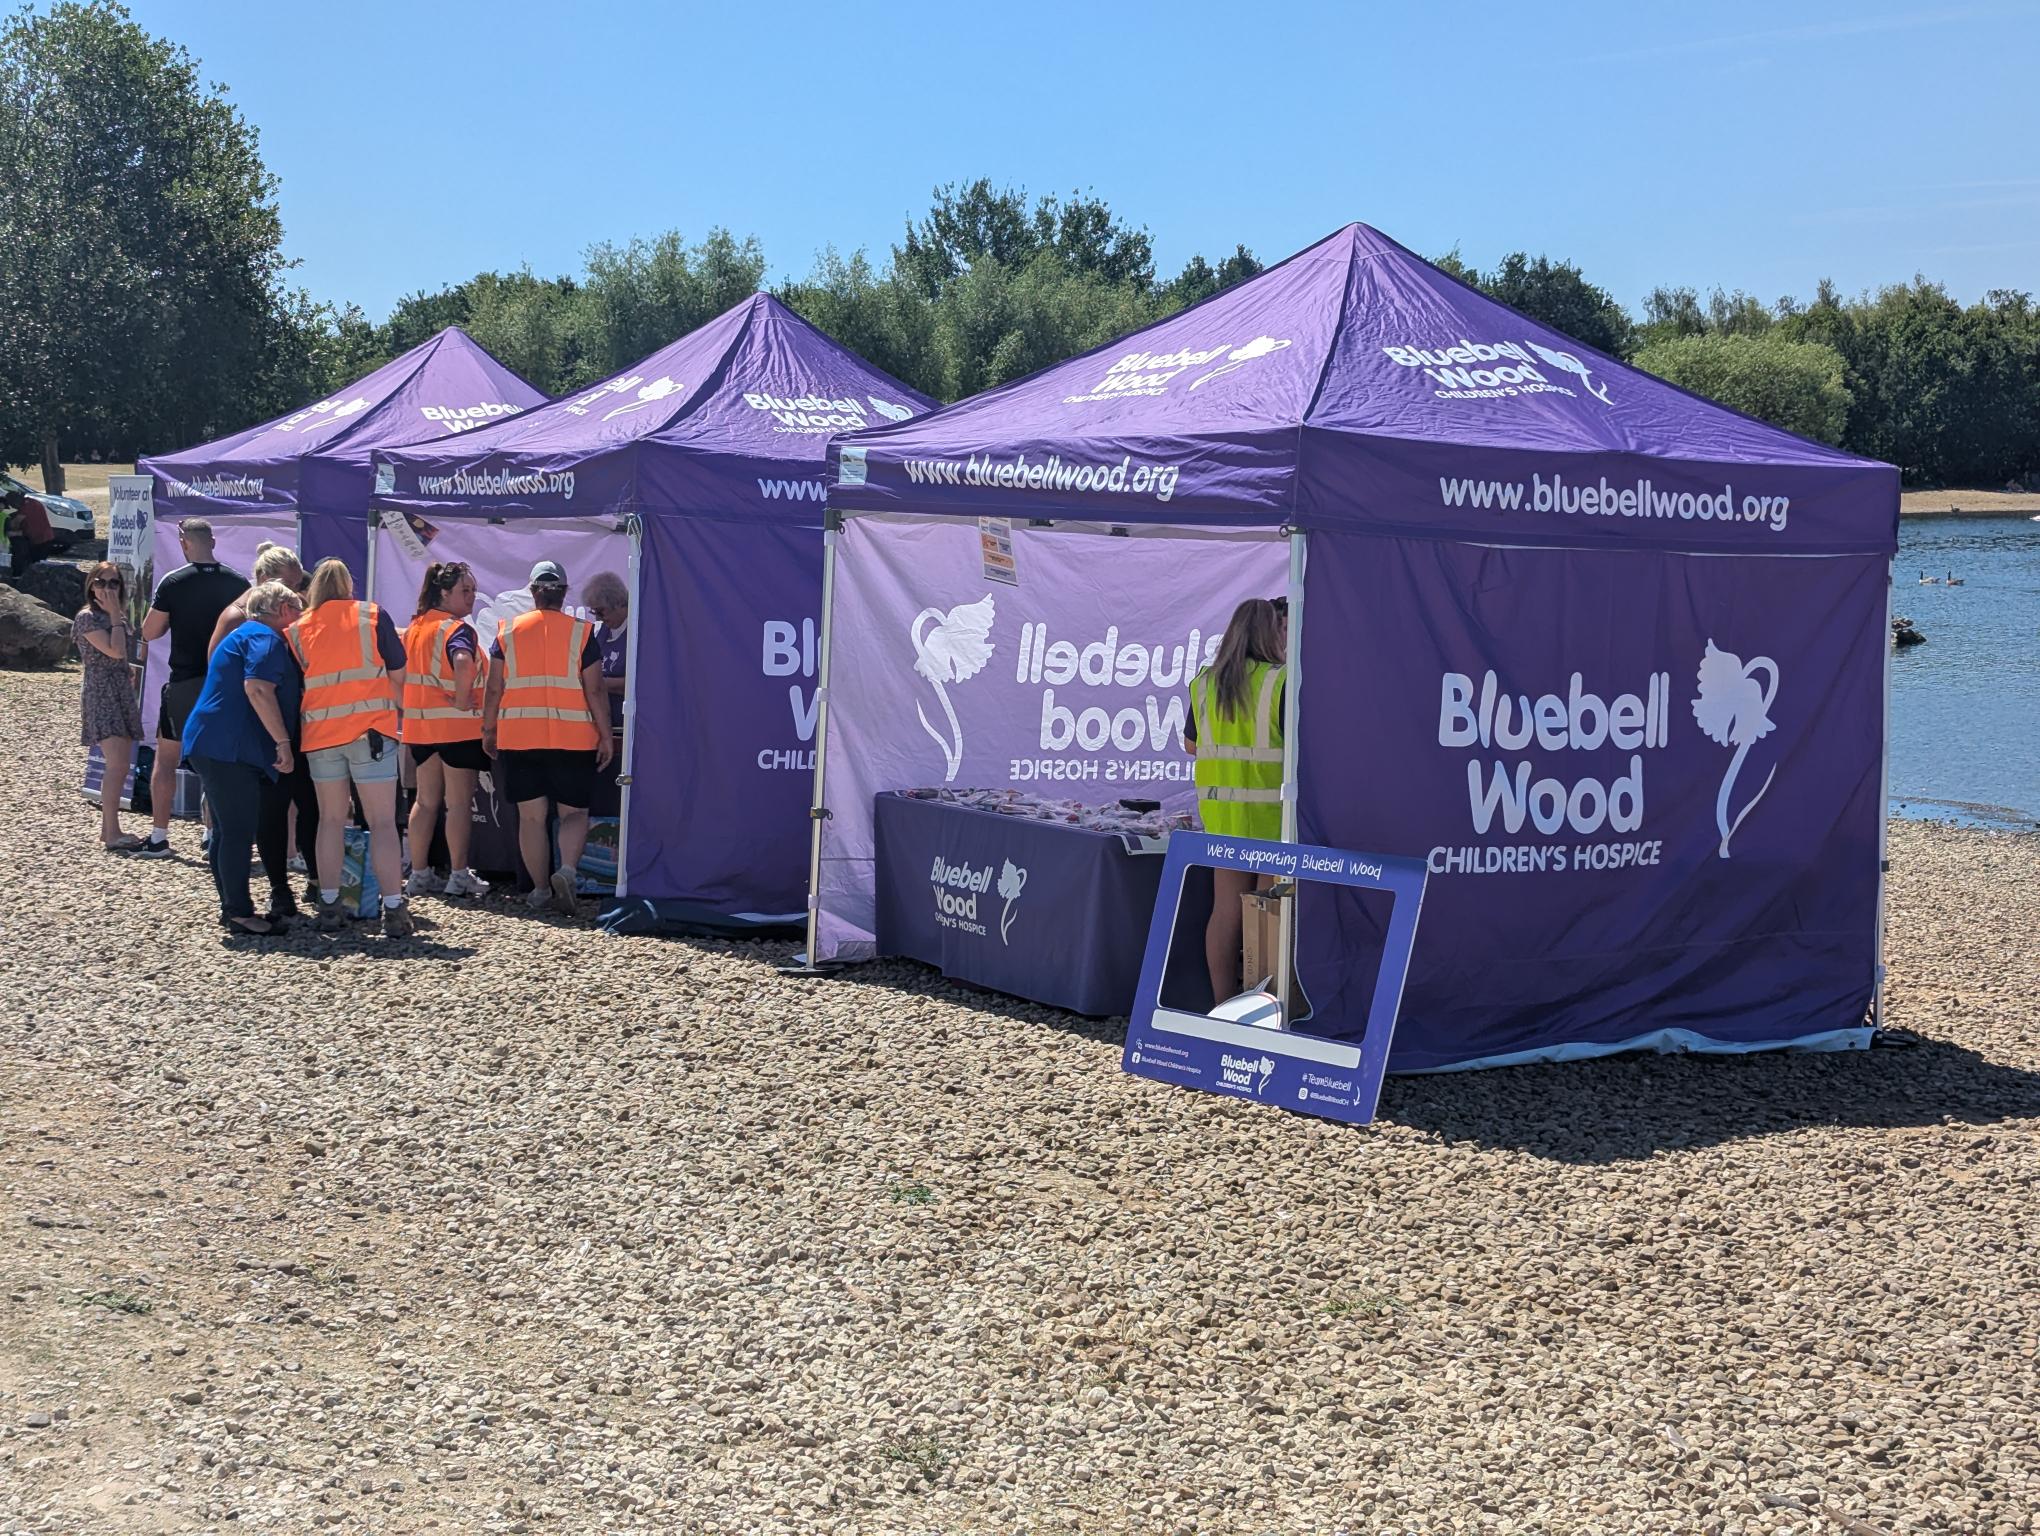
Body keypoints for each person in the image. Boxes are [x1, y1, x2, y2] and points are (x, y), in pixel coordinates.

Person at [288, 558, 414, 937]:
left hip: (321, 737)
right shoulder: (372, 616)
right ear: (348, 585)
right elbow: (398, 671)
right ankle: (393, 908)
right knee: (381, 823)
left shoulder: (298, 629)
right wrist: (393, 707)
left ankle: (329, 904)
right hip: (370, 733)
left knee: (329, 820)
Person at [482, 560, 612, 914]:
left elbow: (494, 688)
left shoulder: (506, 632)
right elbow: (596, 690)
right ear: (564, 592)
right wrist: (605, 735)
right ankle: (567, 871)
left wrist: (489, 729)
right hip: (573, 738)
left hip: (520, 738)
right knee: (573, 813)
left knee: (532, 818)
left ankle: (540, 889)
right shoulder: (582, 634)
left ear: (533, 592)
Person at [180, 580, 303, 936]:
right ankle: (239, 912)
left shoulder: (245, 634)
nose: (301, 616)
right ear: (282, 611)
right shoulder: (264, 639)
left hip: (212, 742)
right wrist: (282, 742)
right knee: (237, 830)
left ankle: (232, 906)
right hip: (227, 748)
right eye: (298, 608)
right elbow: (258, 688)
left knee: (225, 829)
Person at [1185, 597, 1288, 1005]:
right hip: (1271, 815)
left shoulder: (1205, 682)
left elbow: (1192, 745)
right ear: (1270, 633)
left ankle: (1221, 1003)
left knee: (1225, 912)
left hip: (1222, 813)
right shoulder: (1280, 682)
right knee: (1267, 915)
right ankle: (1263, 1008)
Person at [209, 544, 318, 921]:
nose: (298, 597)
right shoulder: (249, 625)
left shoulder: (268, 625)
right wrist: (280, 739)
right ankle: (252, 902)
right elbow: (244, 683)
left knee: (299, 808)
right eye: (290, 588)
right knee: (247, 823)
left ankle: (241, 903)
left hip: (274, 731)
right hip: (251, 738)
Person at [137, 519, 246, 858]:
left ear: (183, 542)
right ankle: (212, 835)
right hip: (224, 684)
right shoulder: (239, 583)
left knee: (166, 758)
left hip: (184, 682)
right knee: (217, 762)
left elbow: (150, 631)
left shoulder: (174, 582)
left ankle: (159, 836)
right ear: (213, 540)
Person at [401, 560, 490, 899]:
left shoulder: (416, 627)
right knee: (457, 805)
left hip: (421, 729)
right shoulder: (456, 629)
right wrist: (463, 699)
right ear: (444, 593)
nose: (471, 598)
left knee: (425, 802)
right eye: (464, 591)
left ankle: (420, 873)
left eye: (473, 591)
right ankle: (458, 874)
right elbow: (464, 662)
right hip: (456, 729)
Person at [72, 561, 146, 851]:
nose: (107, 588)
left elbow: (122, 654)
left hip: (119, 689)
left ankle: (110, 830)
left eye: (113, 583)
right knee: (116, 764)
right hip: (101, 692)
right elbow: (114, 650)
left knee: (121, 764)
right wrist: (116, 614)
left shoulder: (116, 617)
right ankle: (111, 831)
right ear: (91, 585)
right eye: (101, 582)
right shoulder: (88, 618)